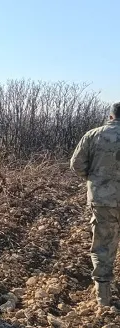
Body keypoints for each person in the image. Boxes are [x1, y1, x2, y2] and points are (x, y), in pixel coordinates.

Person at [70, 101, 120, 307]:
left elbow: (76, 164)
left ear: (110, 116)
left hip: (103, 200)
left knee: (103, 247)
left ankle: (104, 300)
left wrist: (96, 181)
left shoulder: (93, 135)